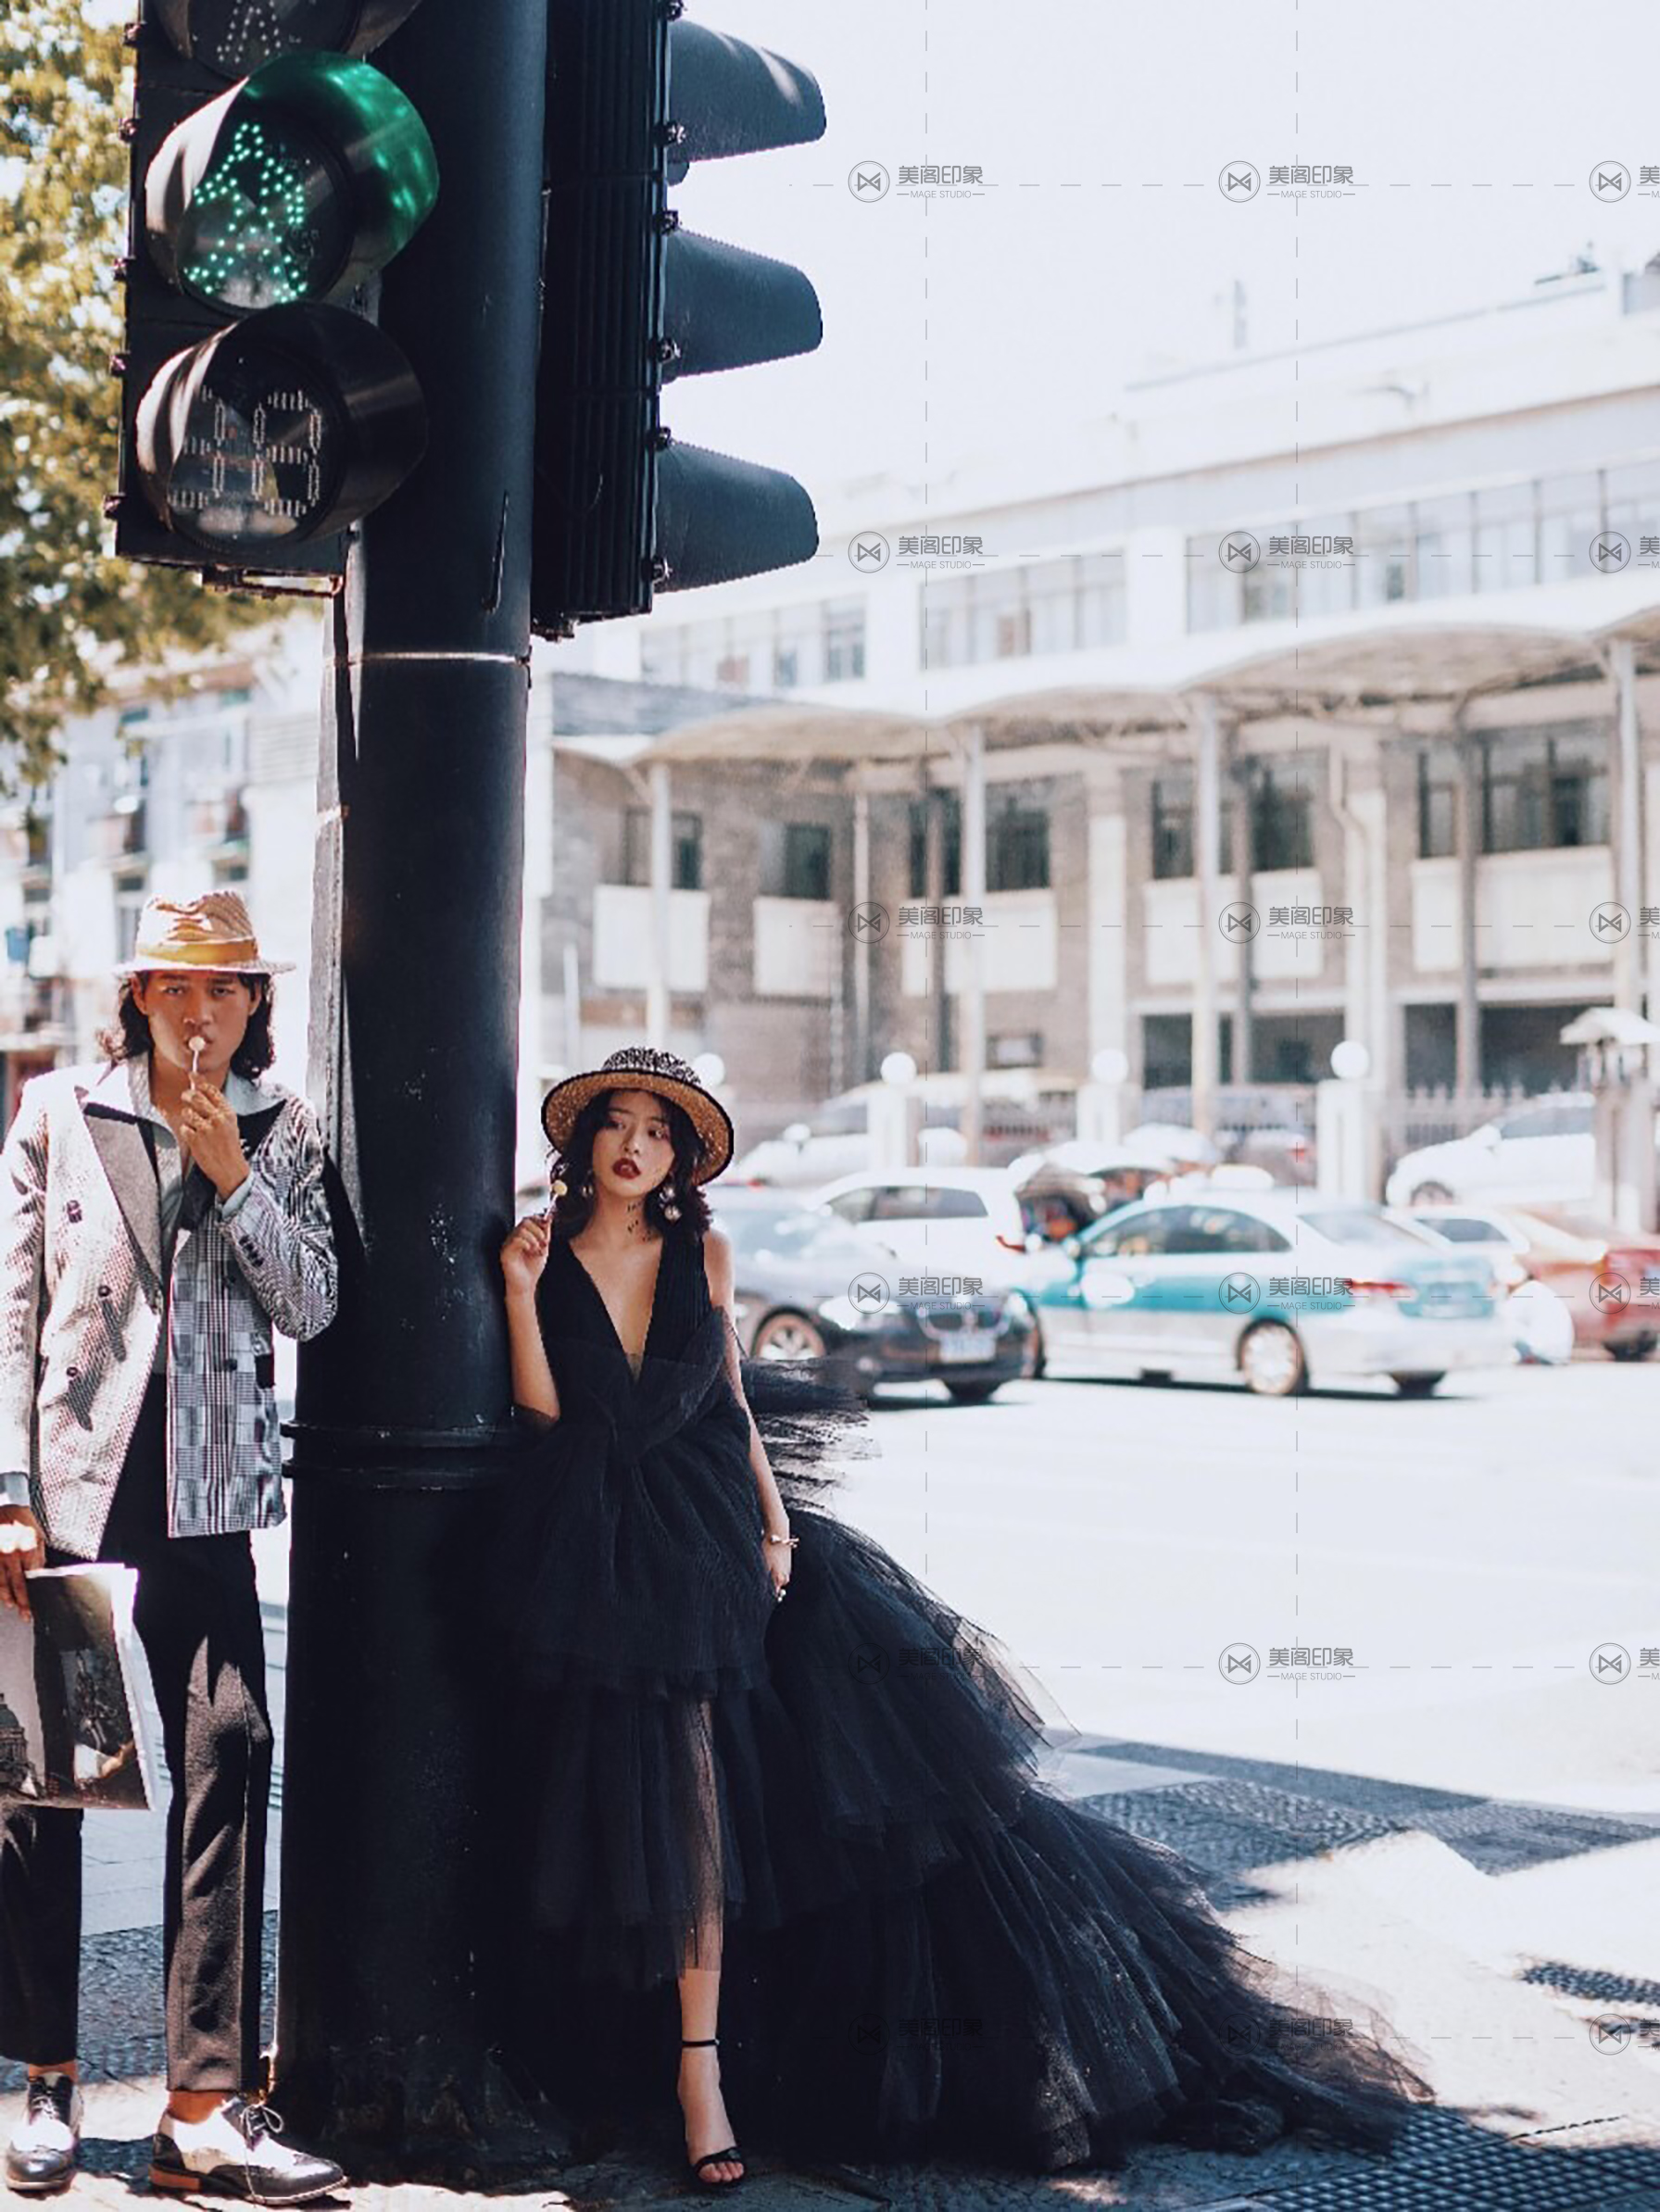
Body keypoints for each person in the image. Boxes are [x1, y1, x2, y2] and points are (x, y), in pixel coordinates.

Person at [489, 1047, 1435, 2193]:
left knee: (710, 1815)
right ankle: (628, 2065)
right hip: (598, 1551)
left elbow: (730, 1400)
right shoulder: (545, 1256)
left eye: (658, 1130)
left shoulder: (706, 1253)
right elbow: (545, 1416)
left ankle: (703, 2077)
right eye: (618, 1123)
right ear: (583, 1139)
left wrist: (776, 1528)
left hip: (711, 1543)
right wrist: (517, 1294)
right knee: (626, 1814)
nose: (635, 1145)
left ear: (683, 1157)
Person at [0, 893, 346, 2203]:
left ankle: (201, 2104)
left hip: (207, 1495)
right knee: (51, 1778)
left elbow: (313, 1303)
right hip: (73, 1493)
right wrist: (8, 1487)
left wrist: (235, 1176)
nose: (200, 1013)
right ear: (140, 996)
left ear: (255, 1003)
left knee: (229, 1752)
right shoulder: (57, 1112)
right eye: (176, 988)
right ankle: (44, 2077)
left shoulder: (283, 1129)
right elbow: (10, 1307)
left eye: (225, 990)